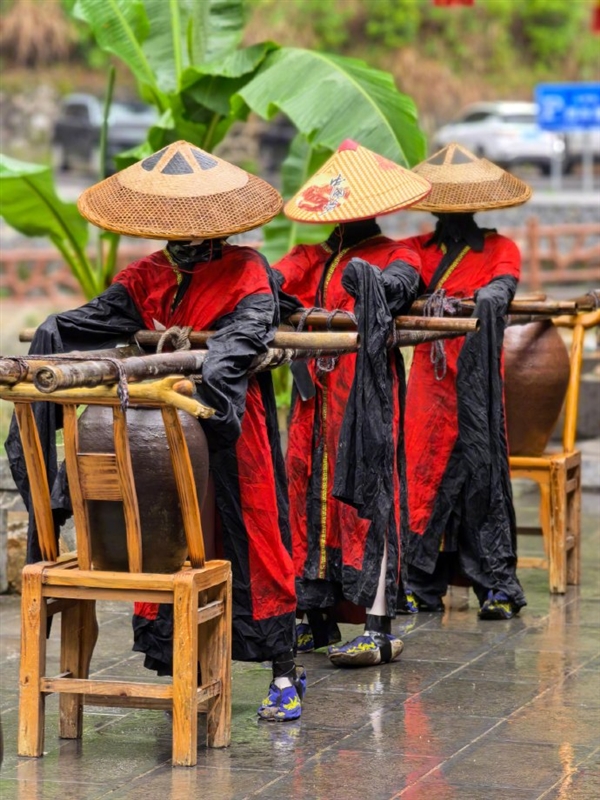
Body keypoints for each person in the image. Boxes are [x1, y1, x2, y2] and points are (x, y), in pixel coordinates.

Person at [5, 140, 304, 721]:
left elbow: (243, 340)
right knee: (167, 541)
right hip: (157, 431)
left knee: (254, 535)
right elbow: (85, 322)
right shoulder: (146, 275)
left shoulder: (248, 270)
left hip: (231, 427)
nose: (183, 237)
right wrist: (47, 342)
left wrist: (208, 393)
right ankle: (183, 669)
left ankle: (284, 673)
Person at [273, 139, 431, 666]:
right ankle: (313, 618)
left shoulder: (398, 254)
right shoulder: (309, 257)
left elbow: (399, 287)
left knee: (369, 498)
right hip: (313, 406)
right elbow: (270, 284)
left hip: (365, 397)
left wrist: (367, 283)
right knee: (305, 498)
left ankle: (378, 628)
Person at [398, 142, 531, 620]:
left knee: (481, 471)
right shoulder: (415, 249)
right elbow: (401, 279)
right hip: (429, 381)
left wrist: (489, 297)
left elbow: (503, 284)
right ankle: (420, 584)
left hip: (476, 379)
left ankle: (496, 584)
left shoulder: (500, 248)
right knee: (422, 474)